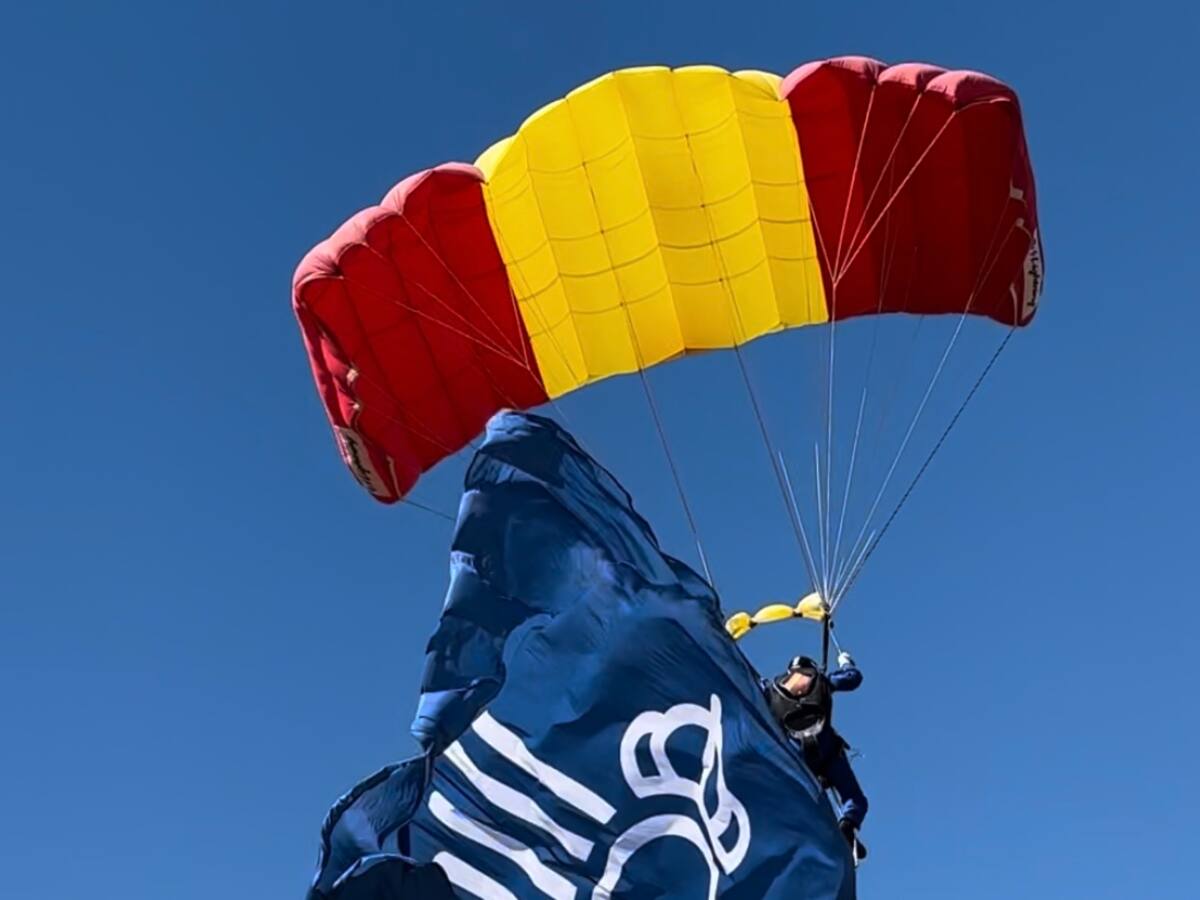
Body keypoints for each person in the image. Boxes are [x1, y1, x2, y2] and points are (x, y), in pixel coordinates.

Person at [764, 651, 869, 861]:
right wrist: (846, 663)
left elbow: (750, 685)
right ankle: (847, 826)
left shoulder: (771, 690)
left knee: (804, 800)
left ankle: (822, 833)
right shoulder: (823, 681)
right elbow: (853, 678)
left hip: (798, 758)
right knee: (854, 798)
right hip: (828, 752)